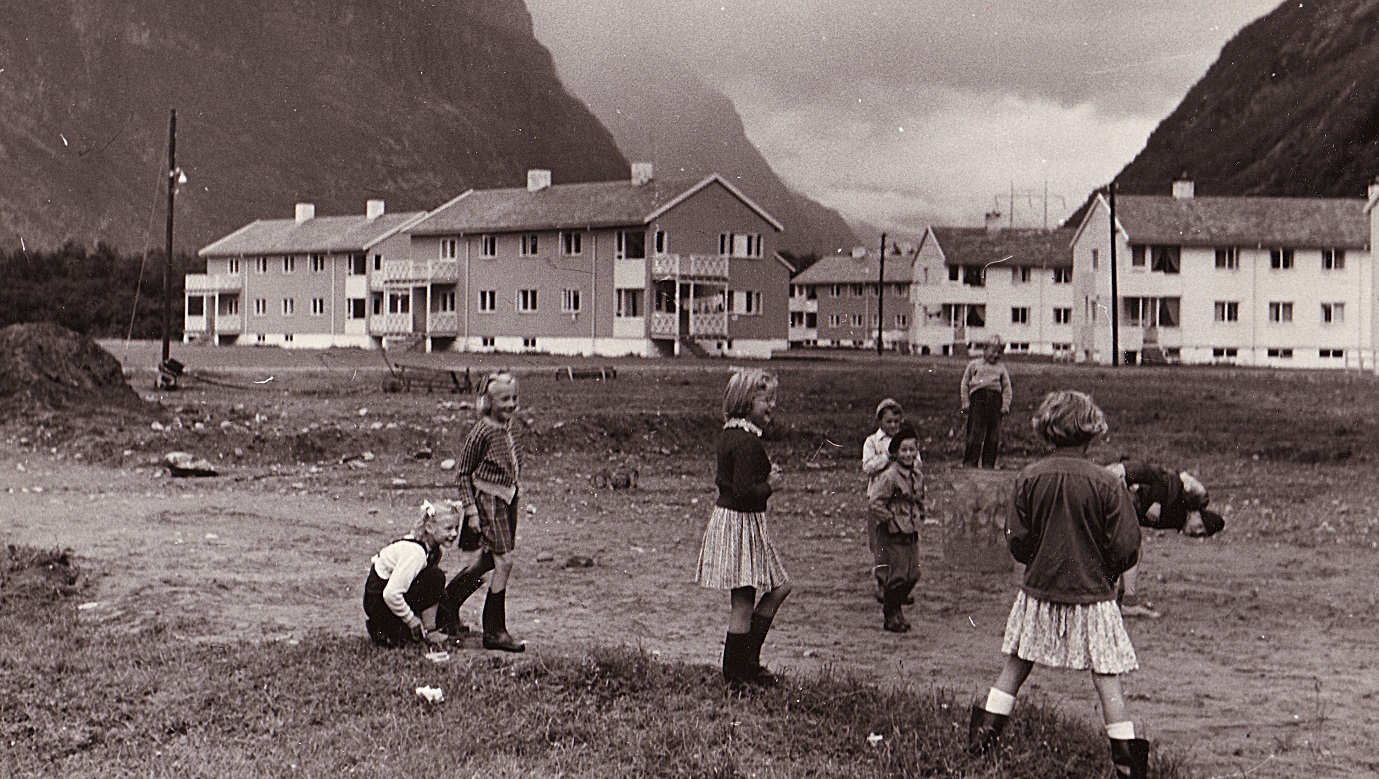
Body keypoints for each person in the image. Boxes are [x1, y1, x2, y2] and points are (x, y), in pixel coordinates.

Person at [969, 390, 1149, 779]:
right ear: (1091, 432)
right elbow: (1126, 546)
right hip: (1093, 594)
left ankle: (979, 747)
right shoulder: (1106, 483)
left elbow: (1017, 538)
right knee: (1107, 679)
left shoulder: (1030, 477)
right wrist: (1109, 572)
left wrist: (1038, 558)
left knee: (1014, 668)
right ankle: (1128, 769)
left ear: (1046, 431)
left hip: (1040, 590)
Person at [696, 368, 792, 688]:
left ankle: (745, 667)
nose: (772, 406)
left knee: (762, 593)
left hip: (737, 523)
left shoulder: (731, 435)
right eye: (768, 399)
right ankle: (738, 674)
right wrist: (770, 486)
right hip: (740, 522)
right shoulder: (746, 441)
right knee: (746, 601)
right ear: (748, 401)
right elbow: (742, 492)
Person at [436, 371, 527, 652]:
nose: (510, 405)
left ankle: (446, 606)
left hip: (508, 500)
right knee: (504, 561)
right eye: (503, 399)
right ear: (488, 401)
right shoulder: (482, 431)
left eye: (513, 398)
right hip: (487, 501)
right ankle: (494, 631)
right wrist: (471, 511)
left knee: (488, 561)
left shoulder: (510, 427)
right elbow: (463, 473)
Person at [1106, 461, 1226, 619]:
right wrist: (1157, 502)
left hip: (1121, 494)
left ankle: (1121, 598)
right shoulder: (1183, 502)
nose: (1196, 532)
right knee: (1131, 548)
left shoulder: (1178, 519)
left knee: (1127, 548)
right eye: (1200, 527)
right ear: (1197, 514)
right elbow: (1169, 477)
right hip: (1121, 486)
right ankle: (1127, 602)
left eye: (1200, 534)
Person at [362, 500, 459, 648]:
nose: (455, 534)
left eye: (456, 528)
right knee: (436, 577)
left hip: (390, 597)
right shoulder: (415, 553)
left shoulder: (433, 551)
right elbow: (391, 594)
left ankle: (397, 629)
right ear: (429, 528)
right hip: (379, 599)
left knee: (442, 611)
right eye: (448, 528)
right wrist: (411, 619)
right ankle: (390, 628)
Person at [866, 424, 924, 633]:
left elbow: (919, 498)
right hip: (893, 533)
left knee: (913, 574)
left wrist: (921, 515)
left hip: (910, 531)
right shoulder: (890, 476)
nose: (908, 454)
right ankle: (891, 614)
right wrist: (889, 520)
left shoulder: (917, 475)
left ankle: (897, 608)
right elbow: (875, 502)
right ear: (896, 453)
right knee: (897, 575)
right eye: (904, 450)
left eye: (912, 450)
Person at [862, 398, 906, 602]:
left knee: (901, 543)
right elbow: (867, 467)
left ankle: (898, 586)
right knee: (880, 543)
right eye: (889, 421)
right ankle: (882, 583)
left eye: (897, 421)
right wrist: (887, 457)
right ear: (880, 421)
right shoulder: (872, 442)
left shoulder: (905, 442)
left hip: (900, 501)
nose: (893, 426)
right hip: (878, 499)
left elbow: (918, 464)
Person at [960, 335, 1012, 469]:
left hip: (995, 402)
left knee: (993, 434)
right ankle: (970, 462)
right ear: (984, 349)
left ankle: (989, 464)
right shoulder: (974, 365)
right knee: (975, 432)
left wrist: (1005, 404)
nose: (996, 355)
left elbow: (1007, 388)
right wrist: (965, 402)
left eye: (999, 352)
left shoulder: (1001, 368)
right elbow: (965, 384)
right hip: (978, 400)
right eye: (993, 351)